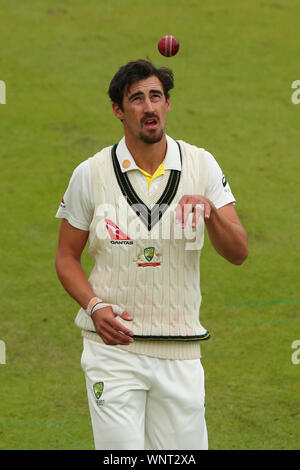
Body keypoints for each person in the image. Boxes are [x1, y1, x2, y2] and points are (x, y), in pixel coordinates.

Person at [55, 59, 248, 450]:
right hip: (113, 350)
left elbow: (239, 251)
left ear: (168, 105)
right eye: (137, 98)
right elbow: (65, 257)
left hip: (180, 352)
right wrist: (93, 306)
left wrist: (211, 216)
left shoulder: (201, 165)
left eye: (156, 97)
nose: (149, 107)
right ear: (118, 110)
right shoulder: (89, 174)